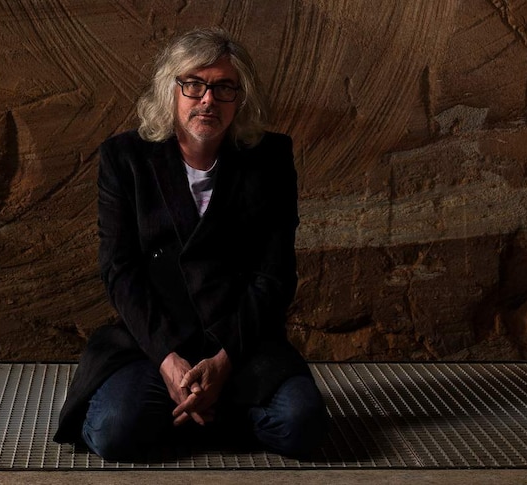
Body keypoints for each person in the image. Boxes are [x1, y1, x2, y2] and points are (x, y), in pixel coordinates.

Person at [53, 27, 327, 461]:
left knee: (303, 426)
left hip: (239, 344)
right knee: (112, 433)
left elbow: (274, 275)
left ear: (241, 98)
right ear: (171, 91)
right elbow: (120, 271)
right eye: (194, 85)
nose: (207, 100)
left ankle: (196, 410)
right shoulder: (125, 159)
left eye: (223, 88)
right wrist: (167, 359)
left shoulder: (270, 160)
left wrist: (223, 362)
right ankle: (207, 410)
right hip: (155, 344)